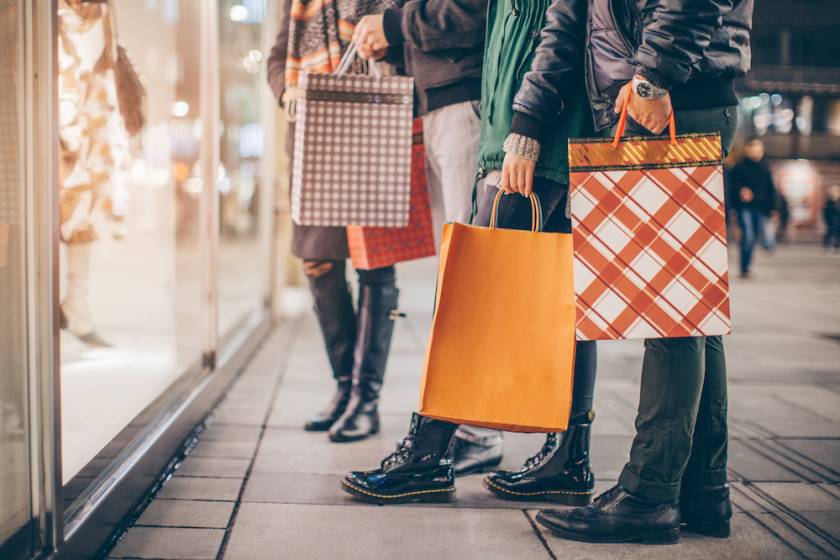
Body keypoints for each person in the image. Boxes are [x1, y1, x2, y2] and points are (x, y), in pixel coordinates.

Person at [340, 0, 599, 506]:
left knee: (469, 296)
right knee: (563, 302)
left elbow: (556, 41)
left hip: (537, 141)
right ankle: (567, 457)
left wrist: (524, 131)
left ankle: (430, 453)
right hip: (517, 136)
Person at [525, 0, 752, 545]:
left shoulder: (661, 77)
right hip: (668, 90)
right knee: (689, 307)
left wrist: (654, 75)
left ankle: (649, 494)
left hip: (672, 92)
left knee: (672, 308)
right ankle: (702, 488)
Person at [353, 0, 507, 476]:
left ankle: (476, 429)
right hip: (441, 99)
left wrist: (393, 25)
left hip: (465, 97)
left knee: (470, 269)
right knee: (460, 266)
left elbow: (476, 10)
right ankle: (464, 424)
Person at [267, 0, 404, 443]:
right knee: (318, 263)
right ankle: (345, 386)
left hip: (369, 124)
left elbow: (400, 38)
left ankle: (366, 400)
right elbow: (276, 58)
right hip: (312, 135)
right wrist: (286, 91)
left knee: (373, 263)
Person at [729, 137, 779, 278]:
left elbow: (771, 190)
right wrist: (741, 190)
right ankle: (744, 268)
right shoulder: (739, 168)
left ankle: (747, 266)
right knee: (748, 235)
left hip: (760, 208)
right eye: (753, 149)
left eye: (759, 150)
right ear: (747, 150)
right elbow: (730, 186)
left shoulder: (765, 168)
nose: (756, 153)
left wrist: (773, 209)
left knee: (754, 237)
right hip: (744, 207)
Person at [824, 185, 840, 251]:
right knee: (830, 232)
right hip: (832, 219)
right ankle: (827, 244)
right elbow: (826, 211)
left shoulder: (838, 200)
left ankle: (836, 244)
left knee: (837, 232)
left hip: (838, 219)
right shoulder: (829, 201)